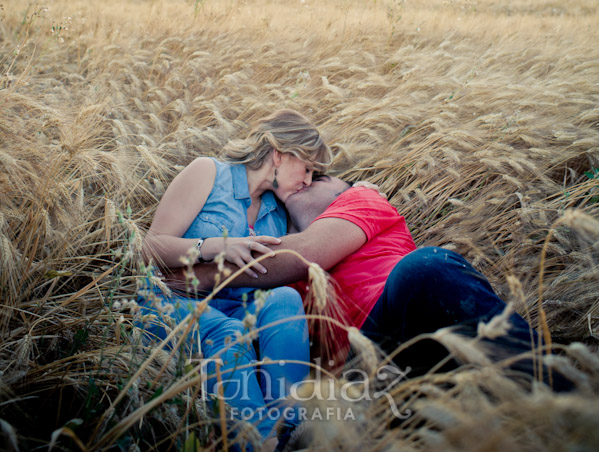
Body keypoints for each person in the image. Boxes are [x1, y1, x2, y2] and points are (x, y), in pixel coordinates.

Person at [166, 175, 570, 391]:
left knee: (424, 267)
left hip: (408, 310)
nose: (303, 182)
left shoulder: (361, 200)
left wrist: (184, 277)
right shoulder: (276, 284)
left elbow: (305, 251)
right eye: (294, 184)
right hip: (361, 370)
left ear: (346, 188)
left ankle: (567, 395)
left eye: (318, 176)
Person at [139, 110, 333, 449]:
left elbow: (331, 206)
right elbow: (151, 248)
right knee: (225, 332)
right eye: (306, 167)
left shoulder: (278, 210)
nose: (308, 180)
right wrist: (214, 246)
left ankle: (294, 431)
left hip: (237, 307)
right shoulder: (208, 173)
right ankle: (260, 444)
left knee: (286, 298)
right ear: (279, 153)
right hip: (174, 301)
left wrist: (362, 191)